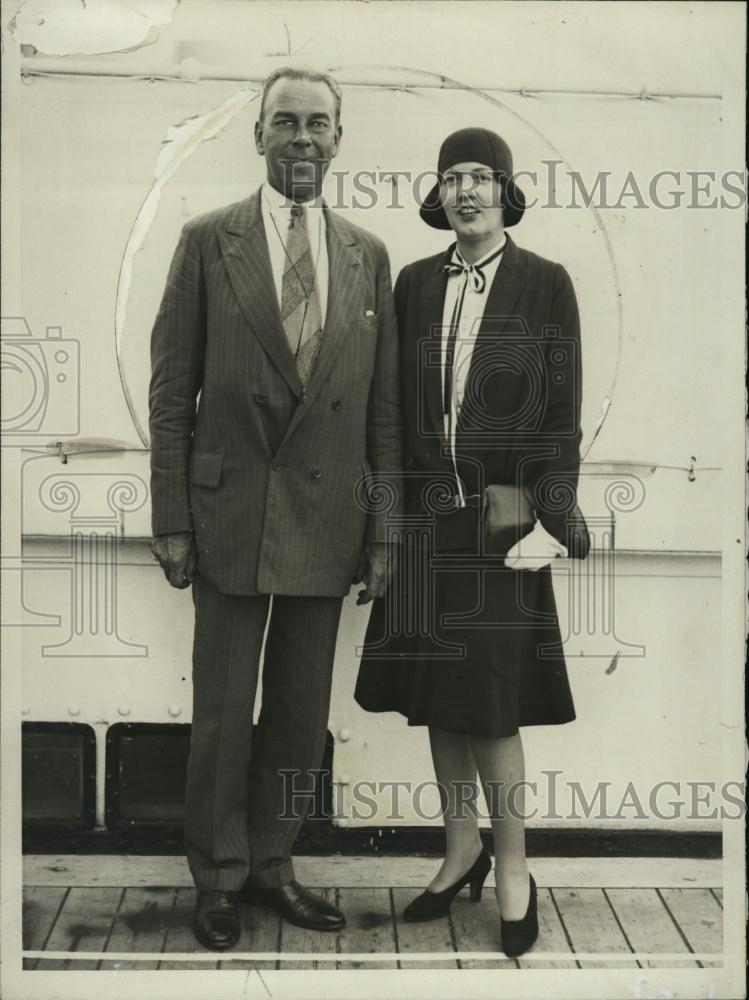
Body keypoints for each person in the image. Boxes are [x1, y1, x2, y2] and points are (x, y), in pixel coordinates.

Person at [149, 66, 401, 951]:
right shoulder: (206, 241)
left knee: (298, 712)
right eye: (284, 122)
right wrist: (172, 516)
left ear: (339, 139)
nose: (302, 137)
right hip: (225, 518)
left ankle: (272, 864)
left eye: (318, 123)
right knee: (222, 710)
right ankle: (217, 876)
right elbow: (172, 386)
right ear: (256, 135)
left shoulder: (369, 256)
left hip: (329, 518)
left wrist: (385, 530)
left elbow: (382, 411)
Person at [355, 127, 584, 958]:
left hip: (499, 526)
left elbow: (560, 415)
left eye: (480, 177)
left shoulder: (544, 284)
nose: (464, 191)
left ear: (505, 190)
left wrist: (547, 520)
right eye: (451, 178)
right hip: (422, 521)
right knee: (435, 697)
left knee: (489, 708)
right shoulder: (415, 284)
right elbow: (386, 413)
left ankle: (514, 867)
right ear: (438, 194)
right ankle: (460, 850)